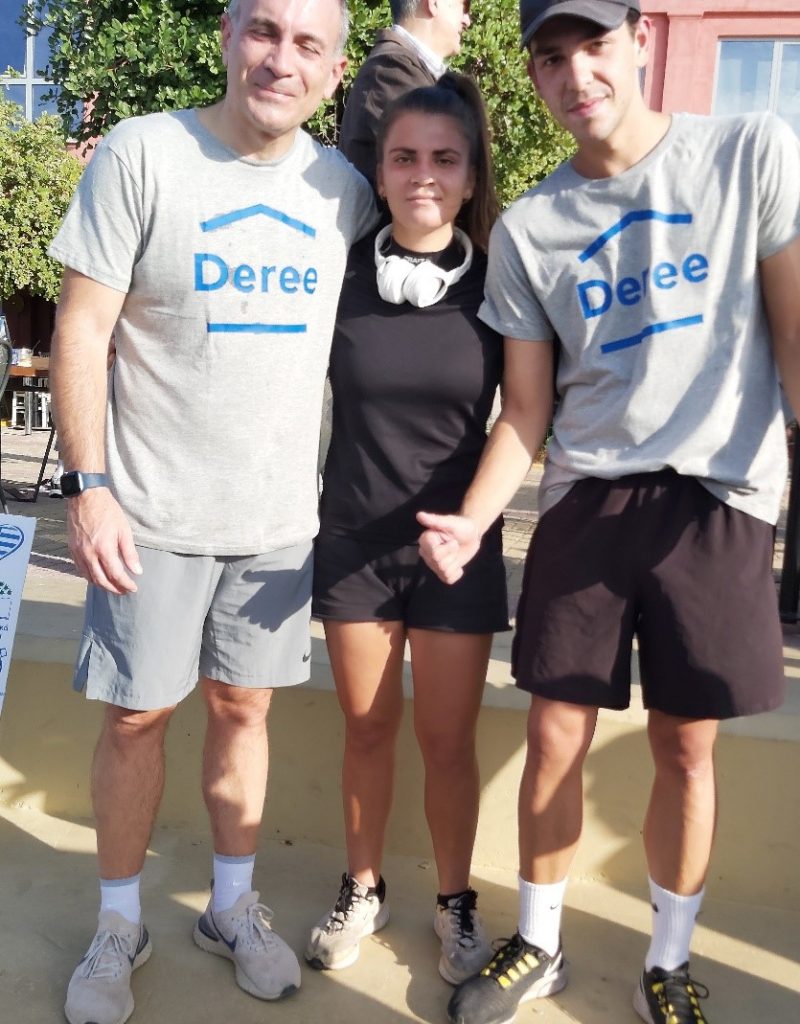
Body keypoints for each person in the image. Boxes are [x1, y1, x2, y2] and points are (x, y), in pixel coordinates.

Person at [418, 3, 800, 1023]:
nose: (575, 73)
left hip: (717, 497)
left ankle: (666, 963)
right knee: (553, 735)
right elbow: (526, 412)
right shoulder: (530, 229)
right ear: (533, 74)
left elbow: (793, 340)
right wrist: (472, 519)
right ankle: (539, 943)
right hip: (586, 499)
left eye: (593, 44)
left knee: (686, 746)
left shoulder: (751, 154)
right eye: (550, 57)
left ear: (638, 39)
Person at [47, 1, 376, 1022]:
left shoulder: (344, 190)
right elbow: (81, 328)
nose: (281, 59)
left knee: (246, 710)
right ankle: (118, 924)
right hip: (146, 514)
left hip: (276, 523)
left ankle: (231, 908)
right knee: (135, 716)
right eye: (264, 30)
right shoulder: (143, 154)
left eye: (308, 44)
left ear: (334, 70)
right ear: (228, 34)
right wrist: (89, 487)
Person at [304, 72, 506, 985]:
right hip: (354, 543)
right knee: (367, 729)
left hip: (457, 551)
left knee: (448, 741)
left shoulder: (500, 287)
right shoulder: (339, 276)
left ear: (470, 176)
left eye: (444, 158)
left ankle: (455, 901)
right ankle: (363, 886)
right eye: (405, 156)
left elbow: (525, 416)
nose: (424, 174)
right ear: (379, 172)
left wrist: (470, 523)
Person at [338, 0, 472, 186]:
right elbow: (434, 182)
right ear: (433, 3)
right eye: (464, 6)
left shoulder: (402, 68)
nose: (467, 20)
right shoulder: (391, 70)